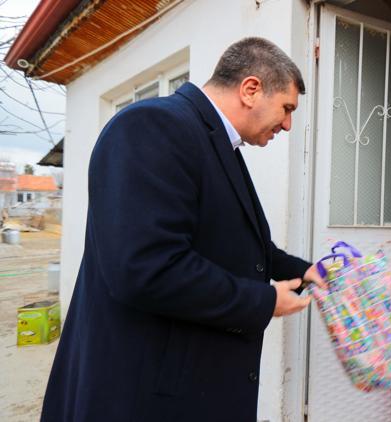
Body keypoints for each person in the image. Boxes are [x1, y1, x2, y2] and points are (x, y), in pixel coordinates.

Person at [40, 37, 325, 422]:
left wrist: (306, 271)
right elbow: (146, 267)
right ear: (251, 89)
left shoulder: (219, 145)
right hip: (144, 394)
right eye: (287, 108)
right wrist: (264, 301)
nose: (289, 124)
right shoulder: (152, 126)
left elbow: (241, 243)